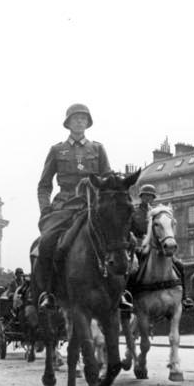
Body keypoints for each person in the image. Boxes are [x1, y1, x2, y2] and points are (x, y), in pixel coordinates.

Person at [35, 103, 129, 310]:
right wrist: (46, 209)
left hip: (93, 204)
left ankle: (121, 291)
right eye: (75, 118)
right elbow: (44, 185)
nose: (79, 121)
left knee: (123, 238)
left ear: (87, 123)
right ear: (68, 123)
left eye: (83, 118)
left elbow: (107, 176)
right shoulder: (57, 150)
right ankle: (49, 292)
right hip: (65, 204)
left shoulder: (97, 148)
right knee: (47, 242)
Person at [130, 184, 194, 309]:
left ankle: (184, 297)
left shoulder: (159, 213)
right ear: (141, 197)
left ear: (153, 198)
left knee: (179, 266)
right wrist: (137, 244)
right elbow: (130, 231)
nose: (148, 198)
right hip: (141, 247)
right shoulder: (135, 212)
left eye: (150, 196)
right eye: (145, 195)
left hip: (158, 247)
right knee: (133, 270)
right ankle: (129, 296)